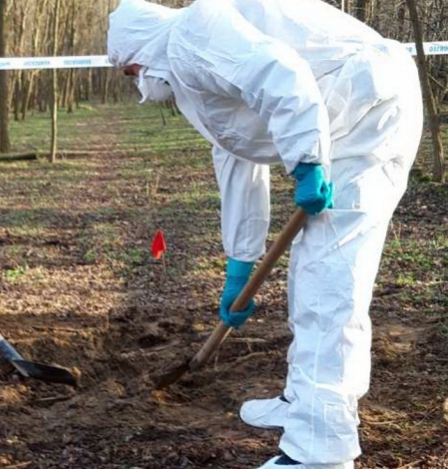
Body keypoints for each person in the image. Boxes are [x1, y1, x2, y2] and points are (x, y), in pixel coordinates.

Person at [108, 0, 423, 468]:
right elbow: (236, 159)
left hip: (367, 111)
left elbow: (282, 75)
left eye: (129, 69)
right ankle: (306, 403)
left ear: (139, 49)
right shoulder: (190, 73)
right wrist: (239, 262)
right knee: (314, 269)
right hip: (347, 117)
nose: (135, 80)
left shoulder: (195, 33)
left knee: (328, 277)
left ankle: (319, 451)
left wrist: (308, 160)